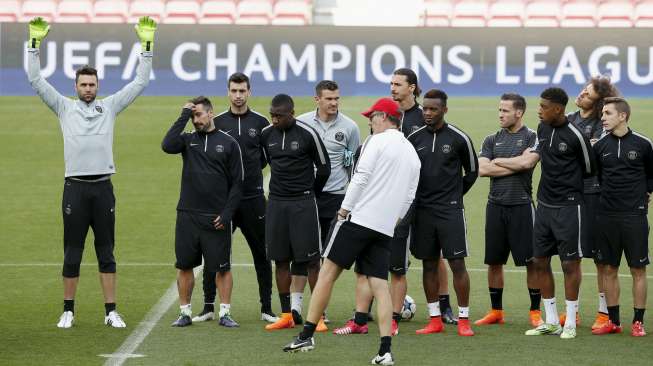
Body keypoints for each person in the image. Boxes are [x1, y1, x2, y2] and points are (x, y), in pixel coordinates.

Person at [26, 16, 156, 329]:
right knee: (72, 252)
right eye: (83, 85)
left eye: (92, 84)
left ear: (98, 86)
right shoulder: (63, 107)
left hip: (102, 188)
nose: (88, 89)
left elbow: (139, 82)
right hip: (75, 188)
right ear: (76, 87)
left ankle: (111, 311)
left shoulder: (109, 106)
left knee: (106, 252)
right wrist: (33, 44)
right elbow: (35, 80)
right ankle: (68, 310)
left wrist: (147, 46)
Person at [283, 97, 421, 366]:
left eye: (372, 116)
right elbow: (409, 197)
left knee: (326, 273)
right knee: (380, 288)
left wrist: (343, 210)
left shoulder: (375, 141)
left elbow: (361, 176)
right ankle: (385, 351)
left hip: (357, 220)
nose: (369, 121)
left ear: (384, 117)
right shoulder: (412, 153)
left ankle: (306, 335)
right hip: (384, 228)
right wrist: (392, 221)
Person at [192, 72, 277, 324]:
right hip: (223, 203)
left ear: (249, 91)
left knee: (262, 254)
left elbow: (265, 157)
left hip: (253, 199)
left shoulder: (262, 123)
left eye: (242, 91)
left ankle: (266, 307)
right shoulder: (216, 122)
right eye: (234, 91)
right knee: (213, 254)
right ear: (228, 92)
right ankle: (208, 306)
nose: (238, 95)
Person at [162, 96, 244, 328]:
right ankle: (184, 312)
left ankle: (225, 313)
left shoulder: (229, 144)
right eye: (192, 116)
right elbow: (167, 145)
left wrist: (227, 214)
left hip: (215, 218)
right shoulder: (187, 140)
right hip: (187, 215)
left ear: (210, 113)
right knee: (185, 265)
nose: (195, 120)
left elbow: (238, 184)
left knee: (222, 268)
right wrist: (183, 115)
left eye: (198, 115)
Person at [523, 87, 596, 339]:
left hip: (569, 207)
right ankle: (551, 321)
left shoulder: (576, 136)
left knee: (569, 263)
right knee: (540, 261)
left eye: (544, 107)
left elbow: (590, 169)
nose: (539, 110)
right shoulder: (542, 129)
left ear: (558, 109)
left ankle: (571, 322)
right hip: (544, 205)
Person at [407, 89, 478, 337]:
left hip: (450, 212)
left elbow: (471, 172)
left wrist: (454, 196)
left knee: (457, 263)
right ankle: (434, 318)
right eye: (425, 108)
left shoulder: (459, 138)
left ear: (444, 110)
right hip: (423, 212)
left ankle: (464, 320)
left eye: (433, 109)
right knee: (428, 264)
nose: (427, 113)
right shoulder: (414, 138)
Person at [291, 80, 360, 328]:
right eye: (329, 98)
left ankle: (320, 311)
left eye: (336, 98)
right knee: (302, 250)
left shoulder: (350, 128)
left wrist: (351, 198)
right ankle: (295, 307)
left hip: (335, 197)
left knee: (326, 257)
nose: (333, 103)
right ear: (317, 99)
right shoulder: (301, 122)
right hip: (306, 195)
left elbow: (352, 164)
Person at [261, 94, 331, 330]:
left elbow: (324, 167)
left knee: (311, 260)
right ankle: (286, 315)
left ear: (291, 113)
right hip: (277, 203)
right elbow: (268, 160)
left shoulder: (307, 133)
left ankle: (318, 316)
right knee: (280, 259)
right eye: (272, 115)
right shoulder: (266, 135)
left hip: (303, 203)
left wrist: (311, 192)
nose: (274, 119)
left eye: (279, 116)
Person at [475, 93, 542, 327]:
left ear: (519, 112)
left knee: (531, 262)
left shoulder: (533, 136)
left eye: (505, 110)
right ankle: (496, 311)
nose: (500, 114)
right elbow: (483, 170)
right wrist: (514, 162)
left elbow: (527, 164)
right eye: (499, 110)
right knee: (494, 261)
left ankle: (535, 312)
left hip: (522, 206)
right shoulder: (491, 139)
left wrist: (499, 161)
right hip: (495, 206)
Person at [561, 76, 620, 329]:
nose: (582, 94)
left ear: (598, 102)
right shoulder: (569, 119)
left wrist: (572, 149)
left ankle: (603, 312)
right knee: (570, 257)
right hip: (569, 195)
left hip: (595, 195)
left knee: (600, 258)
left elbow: (595, 150)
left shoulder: (602, 123)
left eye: (588, 93)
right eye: (583, 90)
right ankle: (572, 312)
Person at [591, 97, 651, 337]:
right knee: (608, 269)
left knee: (638, 269)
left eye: (607, 113)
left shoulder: (644, 144)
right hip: (606, 215)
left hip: (634, 216)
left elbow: (651, 174)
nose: (603, 117)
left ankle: (638, 322)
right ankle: (613, 321)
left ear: (622, 116)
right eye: (602, 113)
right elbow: (594, 177)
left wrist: (647, 192)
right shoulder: (599, 147)